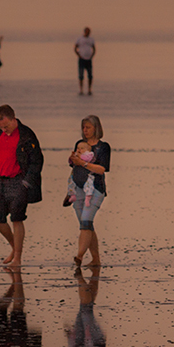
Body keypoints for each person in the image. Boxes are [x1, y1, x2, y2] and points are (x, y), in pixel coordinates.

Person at [0, 105, 43, 267]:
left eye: (6, 126)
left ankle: (17, 257)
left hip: (19, 181)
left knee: (17, 218)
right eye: (1, 127)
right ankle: (14, 247)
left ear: (13, 118)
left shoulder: (26, 135)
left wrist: (27, 182)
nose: (4, 129)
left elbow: (37, 160)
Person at [68, 114, 109, 266]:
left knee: (85, 222)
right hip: (78, 188)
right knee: (87, 225)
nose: (85, 130)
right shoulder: (80, 144)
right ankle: (96, 260)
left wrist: (83, 164)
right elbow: (73, 166)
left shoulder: (103, 147)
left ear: (96, 128)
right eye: (83, 128)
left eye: (88, 127)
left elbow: (102, 169)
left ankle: (79, 256)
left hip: (95, 189)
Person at [62, 140, 96, 208]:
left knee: (88, 186)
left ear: (87, 150)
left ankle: (88, 197)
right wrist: (71, 157)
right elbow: (70, 162)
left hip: (86, 175)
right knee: (71, 183)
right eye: (78, 148)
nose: (79, 150)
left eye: (82, 148)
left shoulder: (89, 154)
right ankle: (72, 195)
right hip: (76, 175)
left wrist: (79, 156)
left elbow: (86, 159)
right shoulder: (77, 154)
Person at [75, 27, 95, 95]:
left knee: (90, 75)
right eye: (87, 31)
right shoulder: (80, 39)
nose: (88, 33)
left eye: (89, 31)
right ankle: (81, 90)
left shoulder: (91, 39)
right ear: (84, 32)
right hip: (82, 59)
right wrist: (79, 55)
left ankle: (89, 89)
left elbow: (94, 48)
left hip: (88, 59)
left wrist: (92, 56)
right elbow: (75, 48)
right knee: (81, 75)